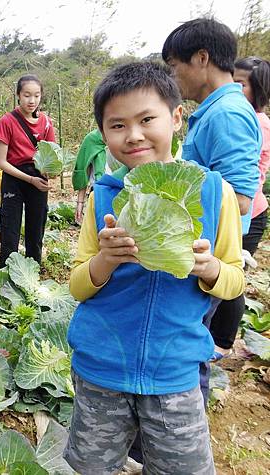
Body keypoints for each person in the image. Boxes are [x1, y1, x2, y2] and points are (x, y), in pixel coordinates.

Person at [65, 62, 244, 474]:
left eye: (147, 119)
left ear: (176, 118)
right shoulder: (103, 198)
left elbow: (234, 282)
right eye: (117, 125)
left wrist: (209, 267)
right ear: (103, 133)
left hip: (174, 373)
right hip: (101, 370)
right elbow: (77, 287)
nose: (134, 135)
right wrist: (104, 261)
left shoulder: (215, 192)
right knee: (93, 467)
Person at [162, 18, 261, 396]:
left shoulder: (227, 115)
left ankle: (182, 425)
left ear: (201, 58)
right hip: (197, 250)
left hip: (205, 253)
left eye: (175, 65)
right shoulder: (214, 111)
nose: (173, 77)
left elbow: (237, 197)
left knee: (190, 344)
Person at [210, 57, 270, 353]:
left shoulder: (241, 117)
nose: (233, 87)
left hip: (245, 216)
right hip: (244, 213)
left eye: (241, 83)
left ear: (259, 89)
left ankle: (222, 342)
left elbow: (240, 197)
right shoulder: (245, 114)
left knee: (230, 277)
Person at [0, 74, 56, 268]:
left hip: (38, 176)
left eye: (37, 95)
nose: (32, 100)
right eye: (27, 95)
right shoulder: (7, 121)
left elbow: (52, 154)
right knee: (10, 229)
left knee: (36, 229)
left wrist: (49, 172)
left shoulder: (46, 123)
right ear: (18, 95)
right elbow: (1, 162)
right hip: (14, 177)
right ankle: (6, 275)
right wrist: (30, 180)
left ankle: (32, 272)